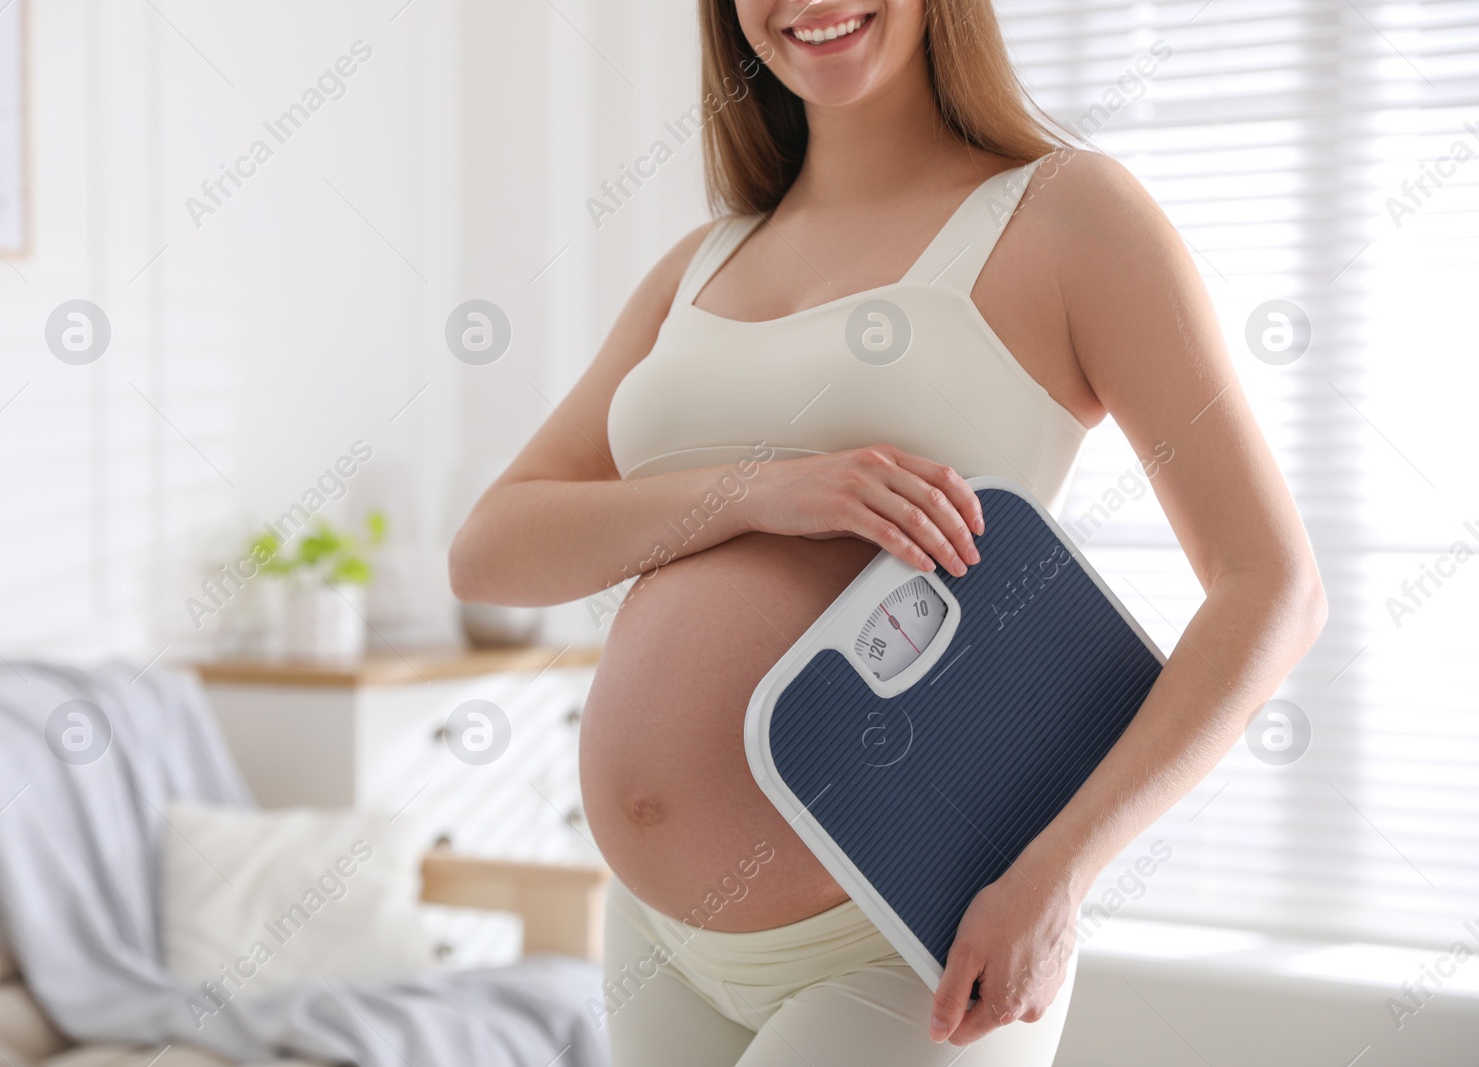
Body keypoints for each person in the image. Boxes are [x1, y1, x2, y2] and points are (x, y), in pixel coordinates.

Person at [449, 1, 1326, 1063]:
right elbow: (490, 549)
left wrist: (1059, 874)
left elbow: (1272, 585)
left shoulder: (1068, 216)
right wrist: (756, 491)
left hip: (910, 941)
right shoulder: (699, 264)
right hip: (658, 938)